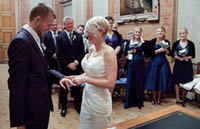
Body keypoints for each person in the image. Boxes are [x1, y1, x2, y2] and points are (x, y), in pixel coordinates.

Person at [7, 3, 71, 129]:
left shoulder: (36, 38)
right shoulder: (22, 41)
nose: (49, 29)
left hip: (40, 107)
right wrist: (20, 122)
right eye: (48, 25)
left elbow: (42, 69)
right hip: (31, 112)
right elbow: (16, 85)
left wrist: (60, 77)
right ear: (37, 20)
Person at [60, 16, 117, 129]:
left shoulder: (109, 52)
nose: (86, 35)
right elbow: (90, 73)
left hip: (100, 101)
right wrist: (75, 77)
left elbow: (110, 83)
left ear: (100, 31)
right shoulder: (92, 49)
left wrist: (84, 80)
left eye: (89, 32)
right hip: (87, 98)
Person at [57, 16, 85, 117]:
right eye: (68, 24)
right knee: (64, 87)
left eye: (72, 23)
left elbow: (82, 51)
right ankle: (64, 107)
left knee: (77, 86)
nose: (70, 25)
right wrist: (68, 64)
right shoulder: (60, 37)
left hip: (76, 66)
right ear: (65, 25)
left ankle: (77, 105)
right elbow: (59, 54)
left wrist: (76, 62)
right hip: (65, 67)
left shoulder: (78, 36)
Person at [144, 26, 173, 106]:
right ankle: (153, 98)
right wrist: (159, 50)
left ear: (164, 32)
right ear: (156, 33)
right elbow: (149, 53)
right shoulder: (153, 41)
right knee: (154, 80)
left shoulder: (166, 41)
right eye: (158, 31)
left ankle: (159, 98)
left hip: (163, 62)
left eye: (161, 31)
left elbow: (170, 53)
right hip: (154, 63)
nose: (159, 33)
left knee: (161, 80)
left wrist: (166, 50)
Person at [123, 27, 147, 109]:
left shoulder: (143, 42)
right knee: (130, 83)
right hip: (131, 64)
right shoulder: (129, 42)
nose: (137, 34)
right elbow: (125, 52)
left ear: (141, 34)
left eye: (139, 32)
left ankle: (138, 102)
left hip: (140, 64)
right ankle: (129, 103)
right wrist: (129, 51)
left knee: (139, 82)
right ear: (134, 33)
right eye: (136, 32)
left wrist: (142, 39)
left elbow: (145, 50)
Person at [171, 28, 195, 104]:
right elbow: (172, 54)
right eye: (180, 33)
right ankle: (177, 97)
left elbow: (193, 55)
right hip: (178, 64)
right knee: (177, 80)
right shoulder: (176, 43)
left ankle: (184, 97)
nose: (182, 35)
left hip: (187, 64)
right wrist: (177, 57)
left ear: (187, 33)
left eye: (183, 33)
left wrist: (185, 57)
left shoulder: (191, 43)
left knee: (187, 80)